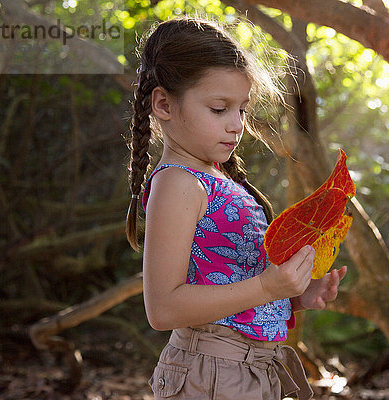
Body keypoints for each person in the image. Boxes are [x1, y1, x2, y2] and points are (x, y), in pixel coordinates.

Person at [125, 16, 347, 400]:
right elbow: (163, 308)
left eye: (242, 110)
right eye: (218, 109)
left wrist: (294, 294)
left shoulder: (220, 180)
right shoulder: (178, 183)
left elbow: (226, 282)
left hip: (250, 371)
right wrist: (266, 286)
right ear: (163, 103)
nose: (236, 125)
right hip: (210, 373)